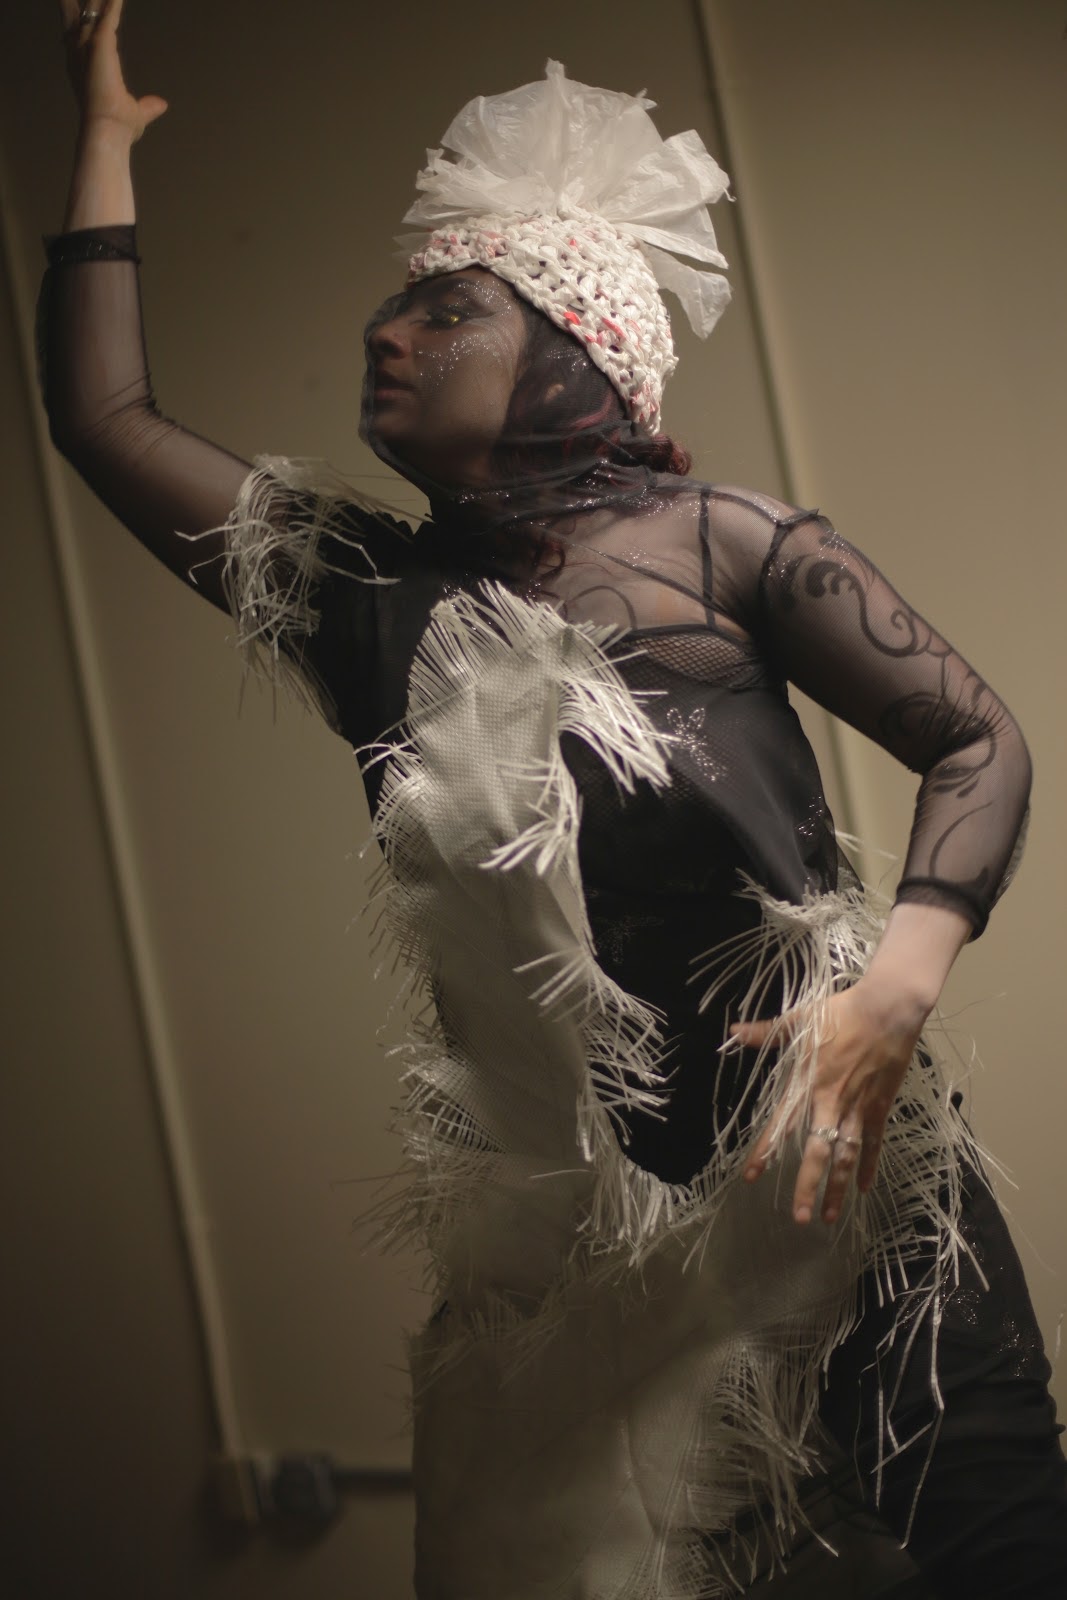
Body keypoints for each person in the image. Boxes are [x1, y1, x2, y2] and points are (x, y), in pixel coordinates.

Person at [42, 4, 1067, 1596]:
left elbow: (979, 739)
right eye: (398, 304)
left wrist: (894, 989)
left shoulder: (719, 542)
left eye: (446, 308)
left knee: (994, 1546)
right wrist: (102, 145)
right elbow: (105, 422)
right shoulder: (364, 600)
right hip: (580, 1259)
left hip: (837, 1164)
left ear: (571, 346)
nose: (387, 333)